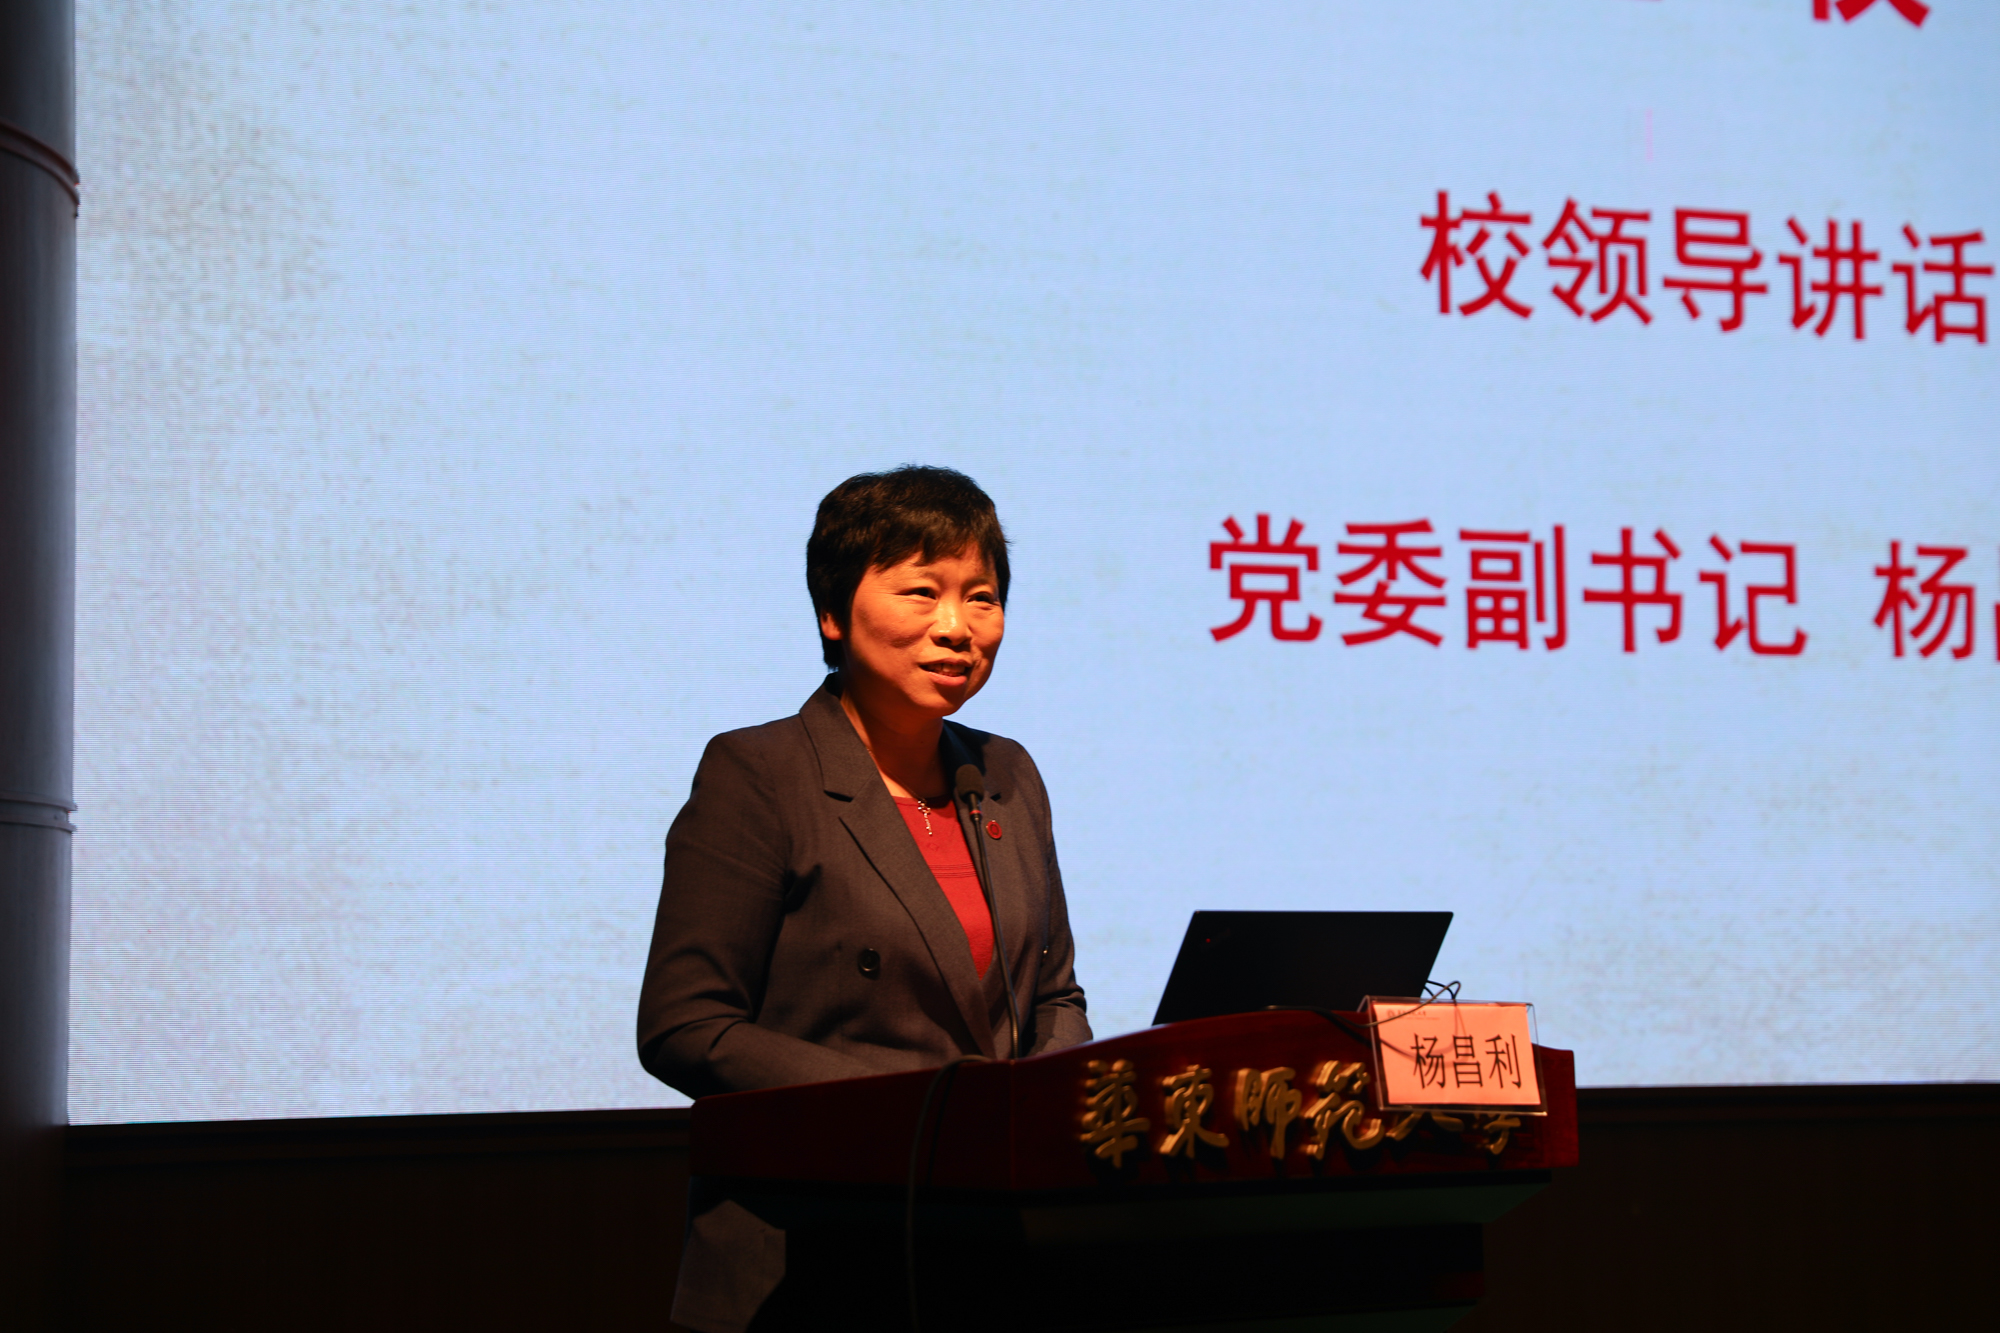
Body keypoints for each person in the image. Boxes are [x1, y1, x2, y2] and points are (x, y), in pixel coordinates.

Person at [637, 466, 1091, 1332]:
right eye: (922, 591)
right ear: (833, 613)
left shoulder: (1007, 773)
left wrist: (1040, 1105)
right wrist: (916, 1113)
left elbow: (1056, 993)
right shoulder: (759, 773)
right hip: (810, 1255)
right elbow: (686, 1025)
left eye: (982, 597)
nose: (957, 627)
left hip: (984, 1250)